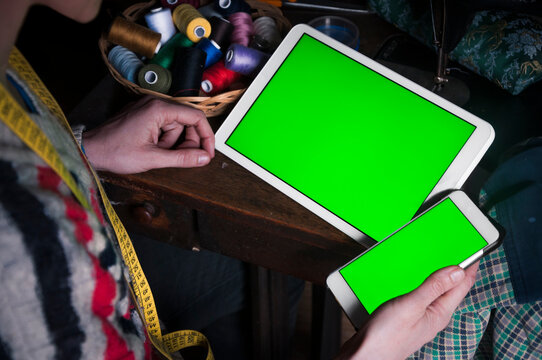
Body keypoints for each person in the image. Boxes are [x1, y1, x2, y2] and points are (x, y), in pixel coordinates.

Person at [0, 0, 481, 359]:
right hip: (127, 315)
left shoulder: (9, 67)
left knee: (274, 275)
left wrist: (87, 147)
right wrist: (371, 354)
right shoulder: (26, 262)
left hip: (112, 269)